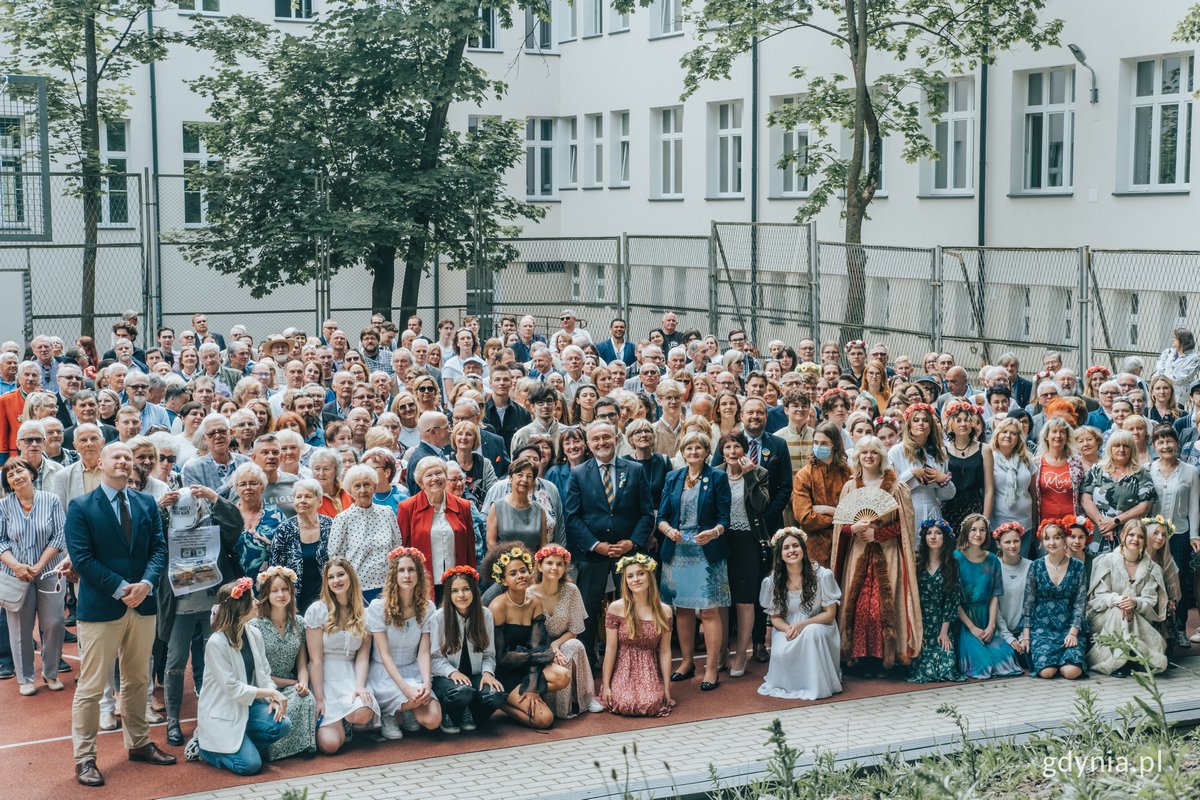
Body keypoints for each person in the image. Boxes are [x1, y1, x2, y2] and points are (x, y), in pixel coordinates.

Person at [65, 442, 175, 787]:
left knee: (138, 679)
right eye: (118, 456)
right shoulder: (81, 506)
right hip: (102, 608)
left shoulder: (145, 503)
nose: (125, 461)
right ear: (101, 462)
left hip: (143, 604)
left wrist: (145, 583)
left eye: (129, 457)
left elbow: (159, 548)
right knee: (92, 686)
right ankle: (84, 758)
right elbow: (81, 558)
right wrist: (120, 587)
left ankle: (139, 744)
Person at [565, 422, 654, 664]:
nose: (602, 442)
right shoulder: (579, 473)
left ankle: (635, 658)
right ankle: (588, 662)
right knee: (588, 611)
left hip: (628, 554)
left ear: (616, 438)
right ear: (588, 444)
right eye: (596, 439)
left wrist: (632, 542)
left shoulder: (635, 470)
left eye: (606, 436)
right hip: (593, 555)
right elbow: (572, 516)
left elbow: (647, 513)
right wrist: (595, 545)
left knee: (633, 608)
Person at [832, 437, 922, 675]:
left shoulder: (897, 487)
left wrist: (879, 533)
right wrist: (853, 529)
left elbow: (906, 526)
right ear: (858, 457)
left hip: (889, 553)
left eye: (874, 452)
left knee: (884, 607)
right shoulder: (850, 487)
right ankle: (859, 658)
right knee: (860, 607)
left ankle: (888, 659)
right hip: (858, 553)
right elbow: (840, 524)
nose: (869, 456)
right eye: (864, 453)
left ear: (882, 456)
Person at [194, 578, 291, 775]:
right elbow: (233, 689)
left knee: (283, 725)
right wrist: (272, 692)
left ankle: (242, 741)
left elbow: (264, 672)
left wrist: (272, 697)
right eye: (252, 599)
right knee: (250, 766)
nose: (257, 602)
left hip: (248, 706)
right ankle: (206, 748)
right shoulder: (216, 643)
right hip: (224, 711)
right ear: (239, 606)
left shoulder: (253, 632)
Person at [657, 431, 731, 690]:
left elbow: (725, 518)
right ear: (682, 451)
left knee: (709, 610)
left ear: (706, 451)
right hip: (677, 551)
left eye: (699, 448)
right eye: (689, 448)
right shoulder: (672, 477)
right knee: (683, 609)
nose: (694, 452)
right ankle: (687, 662)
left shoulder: (718, 478)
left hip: (705, 550)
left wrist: (713, 533)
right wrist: (667, 530)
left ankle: (711, 668)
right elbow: (662, 516)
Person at [0, 457, 67, 695]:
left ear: (31, 473)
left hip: (49, 570)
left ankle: (50, 673)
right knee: (20, 628)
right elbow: (0, 541)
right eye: (10, 475)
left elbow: (59, 537)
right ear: (8, 482)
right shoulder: (4, 505)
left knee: (55, 623)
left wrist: (39, 565)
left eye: (20, 471)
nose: (16, 477)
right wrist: (17, 566)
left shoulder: (51, 500)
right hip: (15, 573)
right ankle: (25, 678)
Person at [486, 544, 570, 729]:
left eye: (523, 571)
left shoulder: (534, 603)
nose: (520, 576)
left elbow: (538, 646)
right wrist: (536, 658)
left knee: (563, 675)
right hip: (505, 671)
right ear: (504, 581)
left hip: (527, 666)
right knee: (545, 720)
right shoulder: (498, 606)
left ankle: (523, 697)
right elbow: (501, 656)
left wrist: (532, 686)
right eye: (513, 573)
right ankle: (502, 702)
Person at [365, 547, 442, 740]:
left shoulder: (427, 607)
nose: (406, 575)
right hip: (385, 672)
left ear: (419, 574)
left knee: (433, 719)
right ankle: (389, 714)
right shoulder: (378, 608)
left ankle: (407, 708)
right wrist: (406, 689)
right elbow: (385, 655)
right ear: (394, 575)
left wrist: (426, 682)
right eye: (401, 570)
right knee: (411, 696)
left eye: (411, 570)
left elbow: (423, 652)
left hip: (413, 670)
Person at [304, 558, 380, 754]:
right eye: (331, 577)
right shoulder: (317, 611)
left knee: (363, 713)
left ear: (350, 577)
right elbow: (316, 660)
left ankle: (347, 719)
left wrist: (359, 686)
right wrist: (319, 699)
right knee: (330, 745)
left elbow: (362, 657)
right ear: (326, 582)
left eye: (340, 574)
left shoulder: (364, 613)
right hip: (324, 676)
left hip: (350, 674)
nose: (336, 580)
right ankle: (335, 722)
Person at [758, 528, 843, 699]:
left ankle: (817, 685)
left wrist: (802, 625)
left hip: (819, 625)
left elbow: (829, 614)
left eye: (796, 546)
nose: (791, 551)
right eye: (786, 548)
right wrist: (789, 629)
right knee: (781, 651)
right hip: (787, 626)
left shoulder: (823, 575)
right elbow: (775, 617)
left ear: (803, 549)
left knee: (811, 633)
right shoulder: (773, 582)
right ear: (780, 554)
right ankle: (793, 684)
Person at [714, 430, 770, 676]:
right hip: (721, 539)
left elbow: (761, 505)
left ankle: (740, 656)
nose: (732, 452)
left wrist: (749, 477)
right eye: (727, 447)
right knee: (722, 600)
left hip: (747, 540)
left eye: (737, 446)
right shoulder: (714, 474)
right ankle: (721, 652)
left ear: (744, 450)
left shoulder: (759, 473)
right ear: (722, 451)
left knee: (744, 599)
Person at [248, 566, 318, 760]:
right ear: (266, 595)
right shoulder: (256, 626)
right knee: (282, 704)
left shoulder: (299, 623)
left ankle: (295, 748)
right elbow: (258, 673)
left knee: (306, 698)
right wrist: (291, 683)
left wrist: (303, 682)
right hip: (265, 687)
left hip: (290, 685)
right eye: (275, 591)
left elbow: (302, 665)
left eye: (285, 589)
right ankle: (272, 750)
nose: (281, 594)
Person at [428, 565, 506, 733]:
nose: (461, 595)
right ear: (449, 594)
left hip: (475, 674)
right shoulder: (438, 617)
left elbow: (489, 654)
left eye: (465, 589)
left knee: (496, 694)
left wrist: (487, 672)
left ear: (474, 591)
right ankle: (449, 712)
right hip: (447, 678)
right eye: (455, 591)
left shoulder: (485, 615)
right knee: (463, 692)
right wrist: (452, 672)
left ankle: (469, 712)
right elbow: (434, 657)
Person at [1086, 520, 1169, 676]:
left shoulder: (1152, 568)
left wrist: (1135, 603)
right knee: (1119, 613)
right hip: (1104, 618)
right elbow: (1098, 598)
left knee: (1126, 614)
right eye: (1131, 534)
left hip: (1137, 618)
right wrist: (1119, 602)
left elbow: (1150, 600)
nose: (1135, 539)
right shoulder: (1107, 561)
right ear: (1122, 535)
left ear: (1145, 540)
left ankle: (1126, 657)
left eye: (1140, 536)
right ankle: (1123, 660)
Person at [529, 544, 602, 717]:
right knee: (563, 653)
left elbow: (575, 629)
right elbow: (529, 634)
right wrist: (549, 650)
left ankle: (585, 697)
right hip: (538, 647)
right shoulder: (529, 594)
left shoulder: (571, 590)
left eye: (560, 564)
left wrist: (556, 646)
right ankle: (557, 706)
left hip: (563, 641)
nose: (555, 568)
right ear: (539, 566)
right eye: (549, 563)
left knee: (575, 645)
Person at [601, 554, 674, 717]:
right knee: (624, 703)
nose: (636, 579)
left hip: (649, 667)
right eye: (630, 576)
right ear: (625, 581)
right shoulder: (616, 608)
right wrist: (606, 685)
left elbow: (665, 651)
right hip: (623, 666)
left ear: (649, 576)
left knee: (651, 703)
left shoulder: (664, 611)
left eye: (641, 573)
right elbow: (611, 648)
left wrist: (667, 688)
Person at [396, 457, 476, 601]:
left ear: (446, 477)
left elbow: (470, 548)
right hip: (422, 583)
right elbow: (404, 550)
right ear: (421, 483)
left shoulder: (463, 506)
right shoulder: (407, 508)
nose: (435, 478)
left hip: (457, 583)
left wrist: (471, 580)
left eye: (439, 473)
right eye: (429, 475)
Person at [1147, 424, 1198, 649]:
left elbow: (1195, 505)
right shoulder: (1148, 469)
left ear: (1177, 443)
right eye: (1160, 442)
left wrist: (1195, 535)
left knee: (1179, 583)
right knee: (1152, 580)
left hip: (1179, 533)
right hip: (1152, 534)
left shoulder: (1190, 471)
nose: (1166, 446)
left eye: (1169, 441)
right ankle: (1156, 629)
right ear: (1154, 445)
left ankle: (1179, 629)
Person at [954, 516, 1024, 679]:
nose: (978, 534)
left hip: (985, 618)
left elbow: (994, 596)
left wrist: (991, 626)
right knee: (983, 667)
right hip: (965, 620)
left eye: (982, 530)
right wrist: (972, 627)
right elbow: (953, 599)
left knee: (1007, 662)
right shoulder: (955, 558)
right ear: (966, 531)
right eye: (974, 529)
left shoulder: (992, 560)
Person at [1021, 519, 1087, 680]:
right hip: (1042, 628)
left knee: (1071, 673)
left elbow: (1080, 603)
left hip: (1068, 627)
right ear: (1042, 541)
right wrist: (1026, 636)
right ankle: (1051, 662)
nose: (1052, 542)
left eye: (1057, 537)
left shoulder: (1078, 567)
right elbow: (1028, 603)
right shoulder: (1036, 566)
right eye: (1047, 538)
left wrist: (1073, 632)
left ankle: (1065, 662)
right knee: (1046, 673)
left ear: (1064, 539)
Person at [327, 464, 403, 603]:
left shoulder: (387, 513)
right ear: (350, 490)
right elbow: (335, 557)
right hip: (357, 590)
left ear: (374, 486)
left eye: (367, 485)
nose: (363, 490)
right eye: (357, 486)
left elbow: (397, 548)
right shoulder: (343, 519)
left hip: (388, 586)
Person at [907, 519, 966, 684]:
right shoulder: (917, 562)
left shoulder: (952, 563)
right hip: (920, 622)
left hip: (941, 623)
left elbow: (952, 599)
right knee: (923, 671)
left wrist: (944, 632)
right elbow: (910, 597)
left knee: (946, 668)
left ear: (945, 538)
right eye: (929, 533)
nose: (933, 537)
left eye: (938, 533)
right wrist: (916, 631)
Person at [1081, 430, 1157, 554]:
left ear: (1132, 449)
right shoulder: (1097, 470)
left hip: (1128, 535)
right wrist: (1103, 524)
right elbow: (1085, 499)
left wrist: (1115, 521)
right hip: (1098, 533)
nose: (1121, 449)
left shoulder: (1141, 473)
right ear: (1110, 448)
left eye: (1126, 446)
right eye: (1117, 445)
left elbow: (1145, 506)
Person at [791, 421, 851, 568]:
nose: (819, 447)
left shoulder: (848, 474)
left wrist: (829, 510)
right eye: (816, 442)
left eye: (824, 443)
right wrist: (840, 517)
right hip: (814, 545)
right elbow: (805, 518)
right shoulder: (804, 475)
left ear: (834, 445)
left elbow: (854, 514)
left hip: (844, 542)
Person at [268, 479, 332, 611]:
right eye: (298, 497)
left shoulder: (331, 525)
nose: (302, 500)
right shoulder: (284, 529)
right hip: (294, 600)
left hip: (329, 596)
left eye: (308, 496)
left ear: (320, 502)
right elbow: (275, 569)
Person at [889, 403, 955, 523]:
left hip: (932, 509)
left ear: (930, 426)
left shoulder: (939, 454)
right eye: (916, 420)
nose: (921, 423)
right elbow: (891, 488)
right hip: (907, 510)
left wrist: (942, 479)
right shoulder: (896, 452)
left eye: (925, 420)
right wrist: (912, 473)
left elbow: (948, 495)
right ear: (909, 426)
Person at [231, 462, 288, 583]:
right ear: (236, 488)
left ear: (262, 486)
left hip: (270, 583)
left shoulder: (276, 514)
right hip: (235, 583)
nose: (248, 487)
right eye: (242, 484)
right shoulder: (229, 516)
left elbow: (288, 549)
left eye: (253, 483)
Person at [941, 402, 993, 534]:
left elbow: (989, 489)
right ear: (950, 425)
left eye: (967, 420)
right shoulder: (943, 450)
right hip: (950, 508)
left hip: (975, 507)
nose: (963, 424)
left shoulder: (984, 449)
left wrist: (984, 520)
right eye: (958, 420)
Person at [990, 417, 1036, 555]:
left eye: (1013, 433)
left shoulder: (1026, 460)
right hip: (998, 521)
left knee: (1021, 565)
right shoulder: (988, 458)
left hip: (1025, 523)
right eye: (1004, 432)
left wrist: (1034, 522)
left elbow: (1033, 492)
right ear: (997, 434)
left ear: (1019, 438)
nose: (1008, 436)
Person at [485, 455, 548, 554]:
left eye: (529, 476)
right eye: (520, 475)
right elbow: (491, 543)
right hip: (503, 566)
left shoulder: (540, 511)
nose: (524, 480)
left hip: (532, 567)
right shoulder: (496, 508)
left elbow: (543, 545)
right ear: (510, 478)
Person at [993, 519, 1033, 665]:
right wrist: (1008, 637)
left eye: (1016, 541)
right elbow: (993, 607)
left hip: (1026, 630)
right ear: (998, 544)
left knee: (1030, 660)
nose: (1012, 546)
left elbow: (1033, 604)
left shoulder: (1031, 566)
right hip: (1000, 630)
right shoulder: (994, 566)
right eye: (1007, 542)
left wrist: (1023, 636)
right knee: (1006, 661)